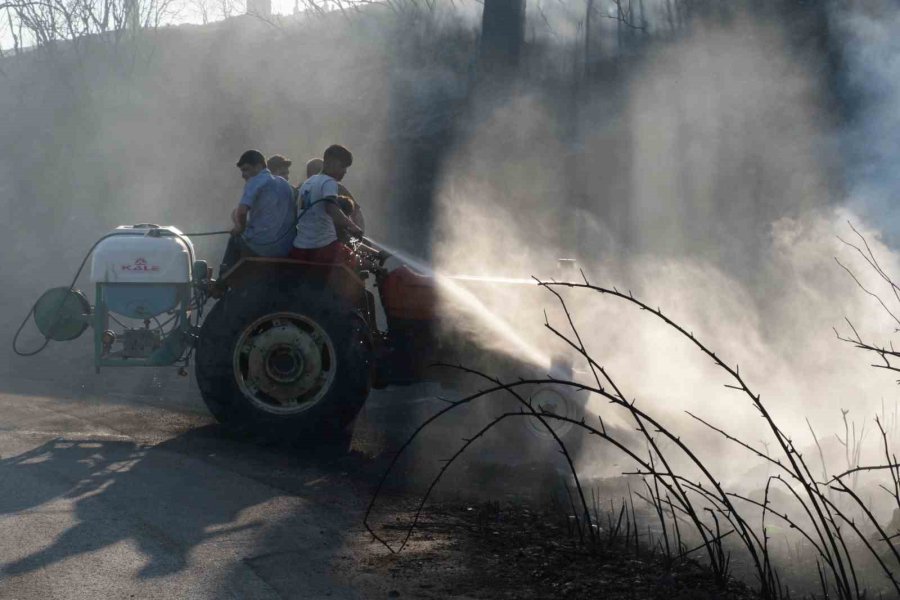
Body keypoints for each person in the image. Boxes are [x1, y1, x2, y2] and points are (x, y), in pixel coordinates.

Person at [220, 150, 297, 275]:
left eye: (246, 169)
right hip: (285, 249)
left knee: (234, 239)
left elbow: (242, 211)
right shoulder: (285, 185)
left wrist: (240, 228)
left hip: (262, 247)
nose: (243, 175)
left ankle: (221, 283)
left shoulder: (256, 181)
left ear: (259, 166)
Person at [291, 144, 362, 263]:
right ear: (331, 162)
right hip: (324, 248)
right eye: (343, 166)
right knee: (360, 262)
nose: (345, 171)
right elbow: (331, 208)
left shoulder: (308, 183)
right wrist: (353, 227)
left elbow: (305, 210)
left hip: (300, 247)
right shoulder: (329, 182)